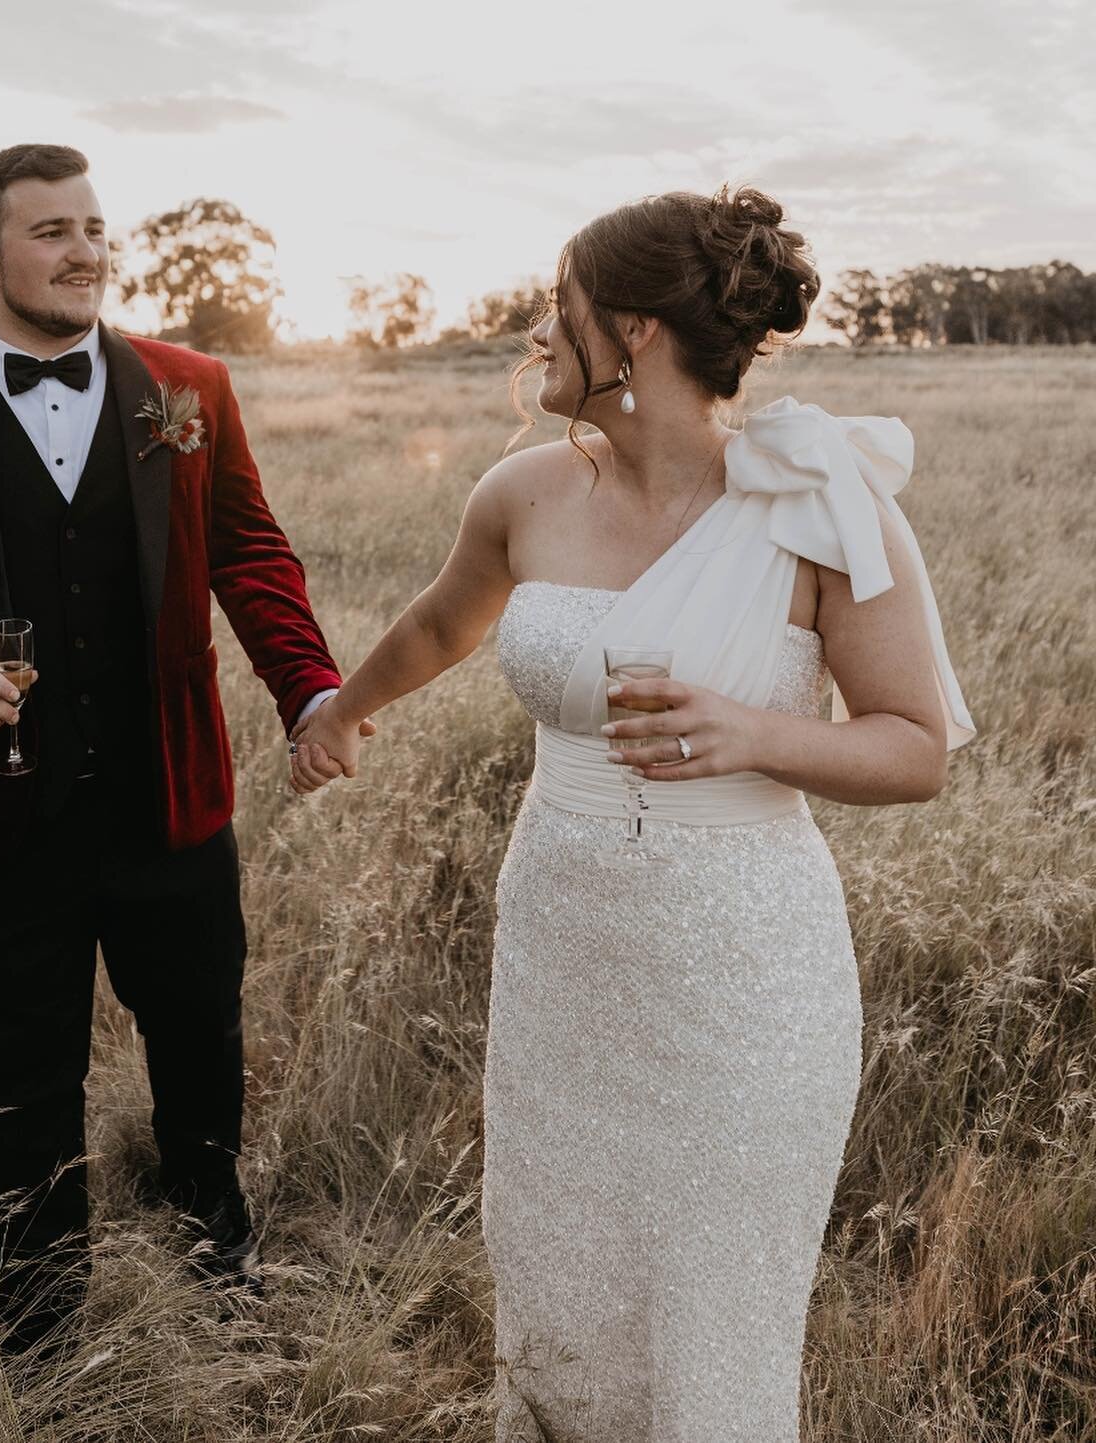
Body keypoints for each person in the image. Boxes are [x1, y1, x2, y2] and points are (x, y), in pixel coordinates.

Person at [289, 184, 975, 1442]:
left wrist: (756, 732)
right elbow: (448, 619)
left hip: (746, 982)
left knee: (715, 1317)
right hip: (562, 951)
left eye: (563, 310)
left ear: (638, 333)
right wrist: (341, 709)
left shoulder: (818, 504)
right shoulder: (524, 492)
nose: (539, 337)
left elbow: (918, 747)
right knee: (565, 1296)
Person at [0, 142, 369, 1362]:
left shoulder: (189, 384)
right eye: (52, 231)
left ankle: (220, 1256)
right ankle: (42, 1334)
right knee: (24, 1081)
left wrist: (308, 689)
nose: (86, 249)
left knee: (201, 1041)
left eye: (96, 226)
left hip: (171, 804)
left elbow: (250, 554)